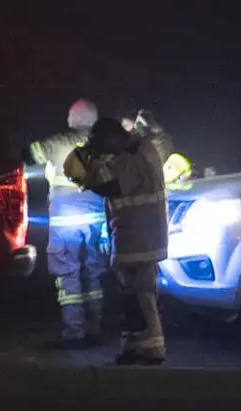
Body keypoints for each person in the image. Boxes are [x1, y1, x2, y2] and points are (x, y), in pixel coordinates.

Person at [65, 117, 169, 365]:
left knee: (142, 294)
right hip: (133, 233)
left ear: (112, 137)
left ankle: (152, 348)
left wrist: (86, 176)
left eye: (99, 142)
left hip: (140, 235)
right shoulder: (134, 152)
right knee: (131, 294)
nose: (98, 148)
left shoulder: (136, 155)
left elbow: (114, 187)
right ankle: (135, 346)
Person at [28, 101, 107, 348]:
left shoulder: (59, 141)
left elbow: (30, 154)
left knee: (68, 275)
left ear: (71, 119)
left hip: (65, 221)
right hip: (96, 218)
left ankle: (74, 332)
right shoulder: (104, 144)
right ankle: (95, 329)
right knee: (94, 275)